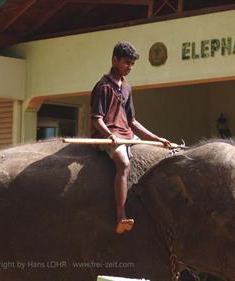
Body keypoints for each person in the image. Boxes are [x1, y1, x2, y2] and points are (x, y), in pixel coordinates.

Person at [90, 41, 171, 234]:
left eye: (132, 64)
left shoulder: (127, 88)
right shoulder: (102, 87)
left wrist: (156, 138)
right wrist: (110, 136)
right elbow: (96, 120)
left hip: (127, 134)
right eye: (127, 62)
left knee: (156, 154)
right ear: (114, 60)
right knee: (124, 164)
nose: (130, 67)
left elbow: (132, 121)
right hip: (107, 136)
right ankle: (121, 216)